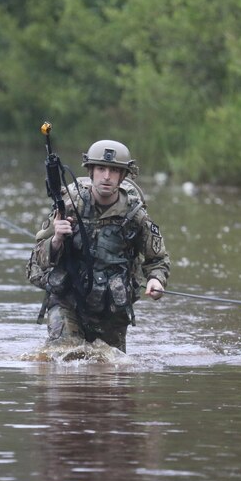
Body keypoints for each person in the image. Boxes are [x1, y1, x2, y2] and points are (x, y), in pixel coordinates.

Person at [27, 139, 169, 352]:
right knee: (63, 357)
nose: (106, 176)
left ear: (123, 176)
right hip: (68, 300)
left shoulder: (136, 216)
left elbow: (157, 260)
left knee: (111, 369)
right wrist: (56, 238)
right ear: (91, 171)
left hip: (111, 310)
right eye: (101, 169)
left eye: (114, 170)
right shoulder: (67, 207)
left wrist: (156, 281)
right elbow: (36, 259)